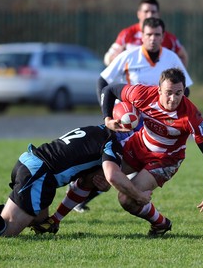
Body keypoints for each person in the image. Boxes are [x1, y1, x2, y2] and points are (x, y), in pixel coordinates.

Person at [37, 68, 203, 237]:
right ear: (159, 90)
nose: (173, 99)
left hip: (165, 160)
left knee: (127, 198)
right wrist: (107, 118)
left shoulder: (191, 116)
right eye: (168, 93)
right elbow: (109, 90)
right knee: (92, 177)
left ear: (184, 91)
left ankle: (161, 224)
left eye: (178, 93)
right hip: (138, 145)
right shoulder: (143, 94)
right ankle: (54, 220)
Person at [0, 125, 151, 237]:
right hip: (40, 173)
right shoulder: (111, 144)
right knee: (7, 231)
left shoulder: (96, 130)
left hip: (32, 163)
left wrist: (97, 181)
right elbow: (113, 175)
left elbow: (86, 173)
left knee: (38, 219)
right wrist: (138, 195)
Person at [72, 17, 193, 213]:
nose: (153, 38)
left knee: (134, 174)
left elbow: (185, 90)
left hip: (155, 125)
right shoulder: (129, 56)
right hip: (126, 122)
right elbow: (103, 82)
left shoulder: (171, 58)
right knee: (112, 165)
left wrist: (171, 112)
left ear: (164, 36)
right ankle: (82, 190)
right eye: (149, 34)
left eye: (157, 35)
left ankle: (90, 194)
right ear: (141, 36)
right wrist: (108, 114)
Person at [104, 0, 189, 67]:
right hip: (133, 84)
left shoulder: (168, 38)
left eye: (153, 12)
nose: (150, 15)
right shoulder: (127, 34)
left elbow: (183, 57)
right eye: (146, 11)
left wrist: (175, 74)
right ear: (139, 14)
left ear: (158, 14)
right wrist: (118, 59)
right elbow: (108, 58)